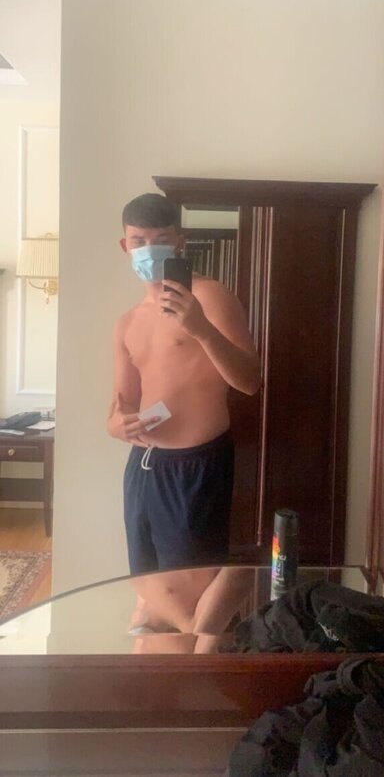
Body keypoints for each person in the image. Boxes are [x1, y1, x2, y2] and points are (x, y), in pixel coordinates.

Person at [107, 192, 261, 574]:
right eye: (139, 241)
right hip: (143, 467)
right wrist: (115, 425)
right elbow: (121, 403)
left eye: (160, 239)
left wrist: (202, 329)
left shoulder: (209, 296)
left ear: (179, 241)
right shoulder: (127, 322)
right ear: (125, 246)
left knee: (191, 585)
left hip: (197, 465)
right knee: (146, 582)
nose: (149, 250)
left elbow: (250, 381)